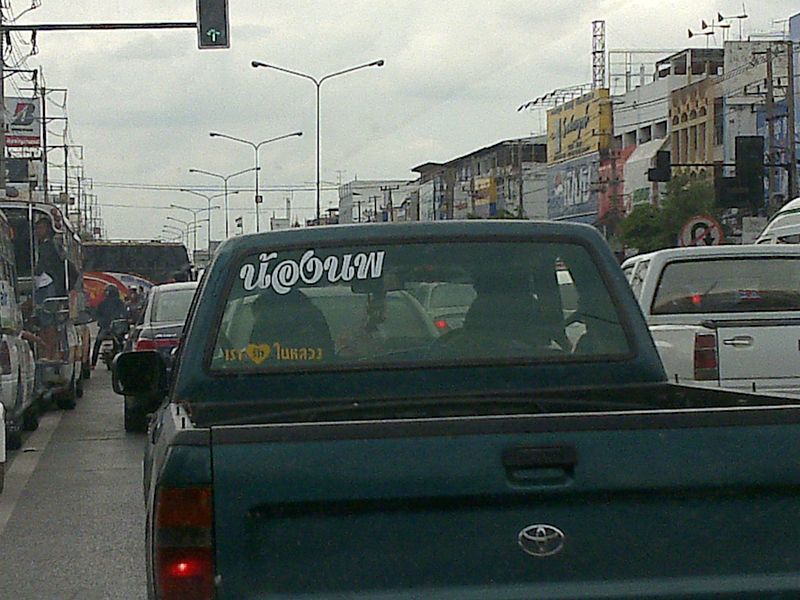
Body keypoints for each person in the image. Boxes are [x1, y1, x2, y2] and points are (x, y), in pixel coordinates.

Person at [92, 285, 127, 367]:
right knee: (120, 343)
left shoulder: (113, 302)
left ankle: (93, 363)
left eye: (107, 291)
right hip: (110, 328)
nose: (106, 293)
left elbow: (97, 314)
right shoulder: (118, 302)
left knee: (98, 343)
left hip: (111, 328)